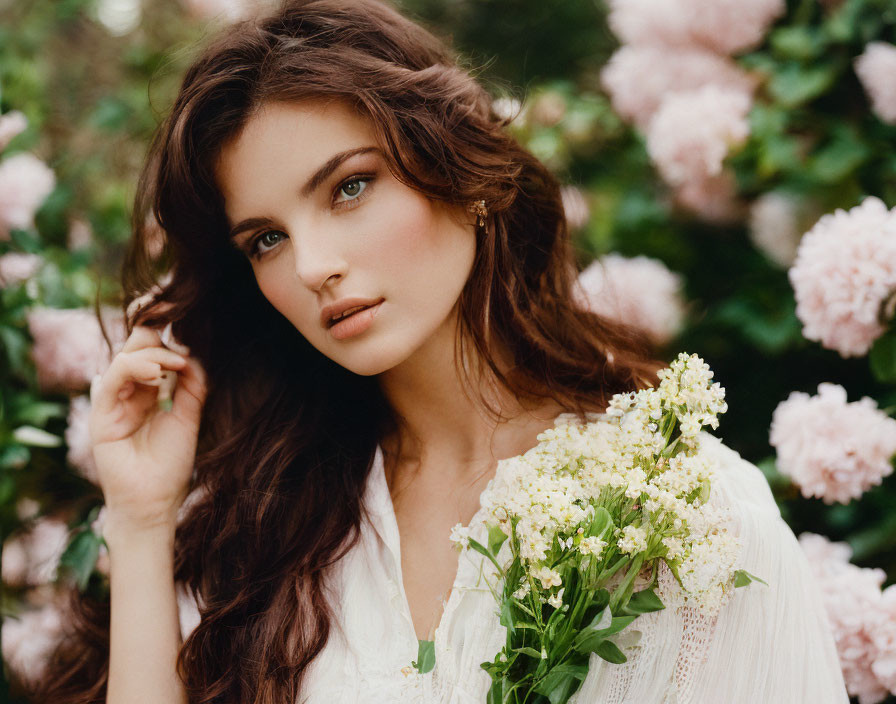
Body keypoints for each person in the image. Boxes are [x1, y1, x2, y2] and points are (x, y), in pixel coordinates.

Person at [33, 1, 848, 702]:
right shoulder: (263, 531)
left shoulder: (691, 516)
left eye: (349, 186)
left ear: (464, 171)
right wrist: (141, 522)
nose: (312, 266)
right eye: (266, 239)